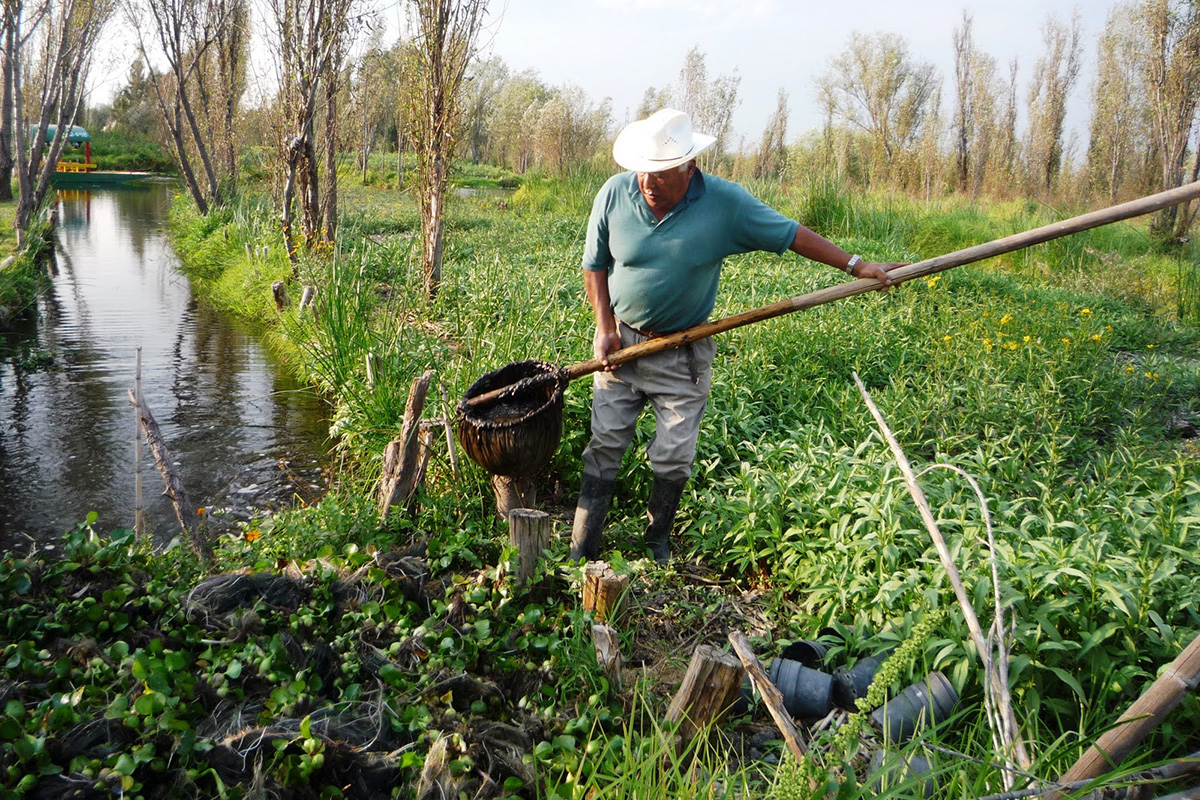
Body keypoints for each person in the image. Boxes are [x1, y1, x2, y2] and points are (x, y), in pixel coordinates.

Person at [569, 108, 902, 564]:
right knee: (604, 445)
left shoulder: (725, 204)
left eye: (662, 173)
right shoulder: (614, 193)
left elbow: (791, 234)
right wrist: (605, 329)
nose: (648, 182)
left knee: (673, 455)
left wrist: (855, 265)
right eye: (643, 170)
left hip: (682, 353)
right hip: (622, 346)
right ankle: (582, 547)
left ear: (689, 167)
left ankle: (656, 543)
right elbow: (595, 265)